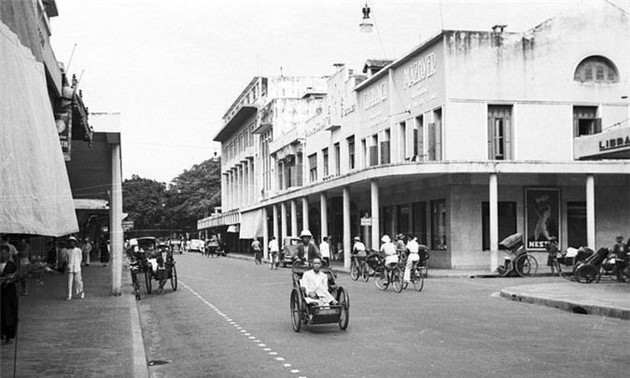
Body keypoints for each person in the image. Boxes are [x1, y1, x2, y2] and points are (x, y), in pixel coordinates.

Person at [1, 245, 19, 344]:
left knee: (10, 315)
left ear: (8, 254)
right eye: (1, 253)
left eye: (4, 253)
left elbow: (18, 278)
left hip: (9, 295)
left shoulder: (12, 266)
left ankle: (9, 335)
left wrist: (12, 278)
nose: (2, 255)